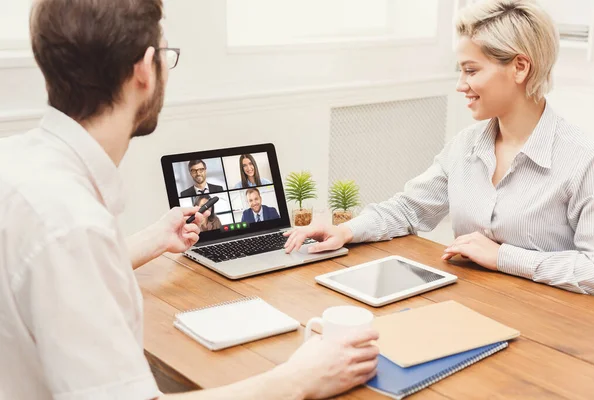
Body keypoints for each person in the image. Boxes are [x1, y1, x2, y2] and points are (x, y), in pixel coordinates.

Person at [0, 1, 379, 399]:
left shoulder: (16, 163)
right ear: (146, 68)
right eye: (167, 56)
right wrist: (299, 379)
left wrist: (153, 239)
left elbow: (54, 270)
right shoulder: (72, 223)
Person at [285, 0, 594, 296]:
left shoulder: (584, 160)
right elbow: (410, 209)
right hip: (471, 302)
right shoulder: (466, 145)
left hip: (550, 327)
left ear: (519, 67)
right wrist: (346, 231)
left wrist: (504, 257)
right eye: (460, 70)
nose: (461, 85)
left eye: (472, 70)